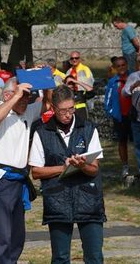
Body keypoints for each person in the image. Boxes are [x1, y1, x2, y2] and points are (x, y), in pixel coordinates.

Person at [0, 77, 51, 263]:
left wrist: (45, 79)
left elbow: (47, 104)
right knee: (1, 235)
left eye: (28, 96)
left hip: (18, 180)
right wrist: (17, 94)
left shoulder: (25, 112)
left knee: (17, 236)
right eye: (22, 96)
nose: (26, 100)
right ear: (8, 95)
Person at [29, 87, 105, 263]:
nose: (68, 114)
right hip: (57, 199)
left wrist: (82, 165)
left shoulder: (88, 128)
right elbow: (36, 171)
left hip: (89, 198)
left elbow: (94, 168)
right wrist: (63, 168)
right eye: (63, 111)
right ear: (53, 109)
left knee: (94, 256)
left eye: (71, 109)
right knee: (60, 257)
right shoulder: (42, 132)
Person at [104, 57, 132, 179]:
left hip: (134, 115)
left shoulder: (134, 77)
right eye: (118, 66)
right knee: (122, 141)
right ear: (115, 68)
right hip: (120, 116)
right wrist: (113, 113)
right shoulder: (113, 82)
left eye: (123, 65)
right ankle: (125, 166)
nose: (121, 68)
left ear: (127, 65)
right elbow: (108, 100)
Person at [65, 51, 95, 118]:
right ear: (70, 60)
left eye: (76, 58)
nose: (74, 60)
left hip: (84, 98)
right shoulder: (69, 71)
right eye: (72, 58)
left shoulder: (85, 69)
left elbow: (90, 85)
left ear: (80, 59)